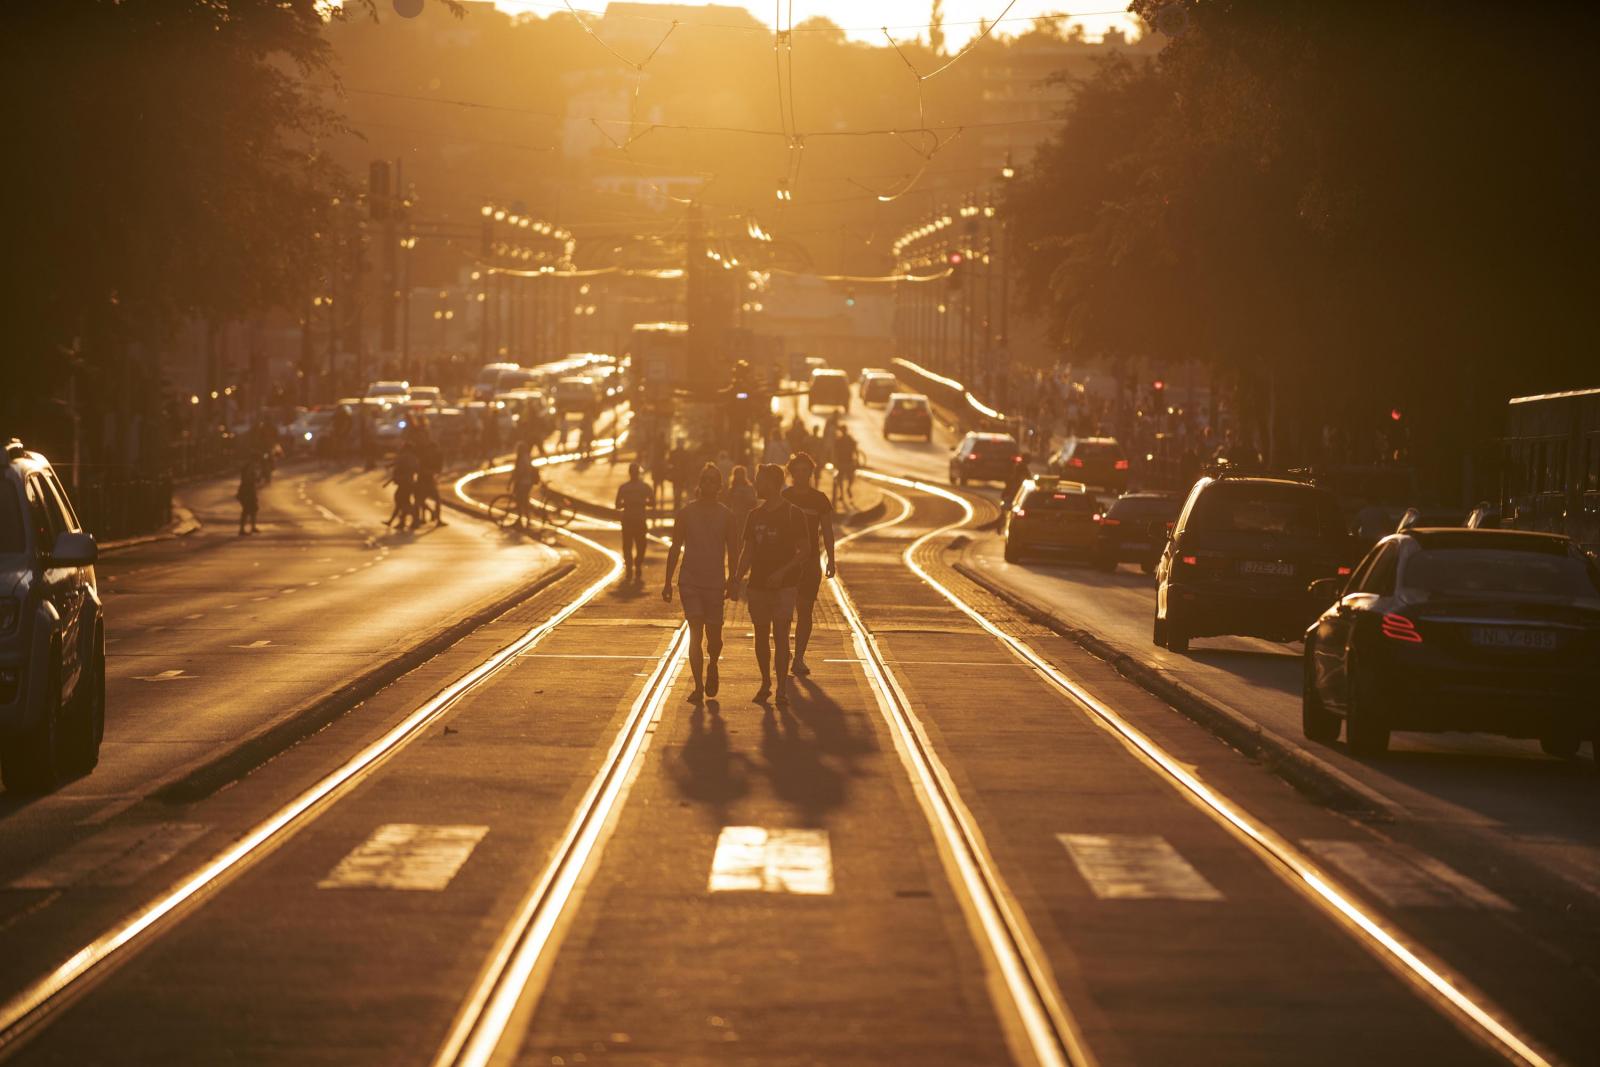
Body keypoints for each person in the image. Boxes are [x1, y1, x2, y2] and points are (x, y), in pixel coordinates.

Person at [731, 463, 809, 707]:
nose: (755, 484)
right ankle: (766, 682)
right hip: (757, 586)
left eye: (759, 480)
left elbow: (804, 551)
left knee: (782, 635)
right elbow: (748, 551)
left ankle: (782, 688)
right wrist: (735, 578)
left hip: (784, 586)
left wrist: (783, 572)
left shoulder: (792, 513)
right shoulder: (755, 515)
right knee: (761, 635)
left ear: (772, 483)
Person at [662, 463, 740, 703]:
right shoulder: (686, 514)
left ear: (719, 486)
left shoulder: (727, 515)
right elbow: (675, 547)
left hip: (715, 582)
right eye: (704, 480)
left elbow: (734, 550)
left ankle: (713, 665)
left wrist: (733, 580)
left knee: (714, 637)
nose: (708, 484)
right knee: (695, 631)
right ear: (699, 484)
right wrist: (668, 581)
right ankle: (697, 685)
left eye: (712, 481)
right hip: (690, 582)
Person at [781, 452, 837, 678]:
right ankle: (783, 655)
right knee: (784, 612)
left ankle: (799, 657)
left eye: (806, 471)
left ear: (811, 473)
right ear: (791, 473)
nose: (801, 475)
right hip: (785, 562)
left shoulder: (820, 499)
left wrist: (831, 559)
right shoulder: (784, 497)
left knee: (805, 610)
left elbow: (827, 531)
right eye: (797, 471)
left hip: (811, 561)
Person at [615, 461, 654, 583]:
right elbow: (652, 502)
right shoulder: (645, 487)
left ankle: (630, 568)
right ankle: (637, 565)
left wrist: (626, 504)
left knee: (627, 546)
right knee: (641, 545)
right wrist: (642, 503)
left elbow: (617, 505)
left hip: (627, 520)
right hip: (639, 520)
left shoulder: (624, 488)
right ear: (638, 473)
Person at [385, 440, 420, 530]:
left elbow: (397, 466)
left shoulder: (403, 457)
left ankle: (415, 518)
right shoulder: (414, 458)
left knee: (401, 501)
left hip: (404, 482)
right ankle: (397, 521)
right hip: (409, 482)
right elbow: (416, 469)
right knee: (401, 502)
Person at [416, 430, 446, 526]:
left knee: (435, 500)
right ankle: (424, 517)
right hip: (423, 480)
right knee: (421, 500)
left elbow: (438, 469)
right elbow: (420, 468)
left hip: (429, 481)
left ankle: (436, 518)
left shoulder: (436, 457)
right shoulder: (424, 457)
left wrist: (432, 473)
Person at [510, 439, 539, 529]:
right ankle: (525, 519)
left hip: (523, 483)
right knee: (523, 501)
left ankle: (524, 519)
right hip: (526, 482)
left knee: (521, 501)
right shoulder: (526, 457)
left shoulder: (522, 459)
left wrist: (513, 481)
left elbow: (520, 471)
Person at [725, 464, 757, 536]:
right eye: (737, 474)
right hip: (735, 518)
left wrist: (745, 497)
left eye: (741, 474)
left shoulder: (749, 487)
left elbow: (754, 502)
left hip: (746, 517)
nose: (739, 476)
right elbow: (728, 504)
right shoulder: (732, 489)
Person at [832, 428, 859, 509]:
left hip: (844, 462)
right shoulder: (842, 440)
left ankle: (844, 492)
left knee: (843, 478)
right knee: (847, 477)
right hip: (845, 462)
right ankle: (844, 492)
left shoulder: (842, 440)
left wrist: (835, 461)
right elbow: (855, 449)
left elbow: (835, 451)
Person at [236, 458, 260, 536]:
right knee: (246, 510)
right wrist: (255, 478)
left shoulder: (249, 467)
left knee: (253, 509)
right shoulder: (249, 468)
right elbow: (248, 480)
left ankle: (252, 527)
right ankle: (242, 529)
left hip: (249, 491)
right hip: (247, 492)